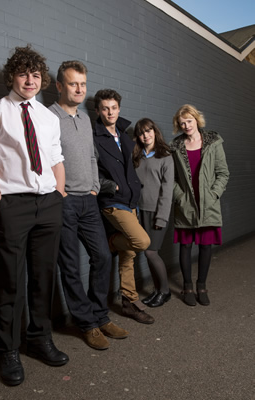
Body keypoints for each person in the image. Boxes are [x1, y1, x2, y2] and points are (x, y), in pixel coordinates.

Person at [0, 45, 69, 386]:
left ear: (42, 80)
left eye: (36, 74)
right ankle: (9, 350)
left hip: (48, 205)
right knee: (11, 282)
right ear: (12, 76)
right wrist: (1, 204)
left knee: (43, 277)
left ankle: (40, 339)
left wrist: (58, 193)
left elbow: (56, 158)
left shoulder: (48, 117)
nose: (30, 79)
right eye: (24, 73)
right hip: (13, 206)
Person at [49, 61, 128, 351]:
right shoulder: (48, 118)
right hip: (65, 202)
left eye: (83, 84)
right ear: (59, 86)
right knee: (69, 265)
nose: (80, 89)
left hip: (89, 201)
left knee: (103, 257)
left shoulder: (84, 119)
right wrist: (61, 194)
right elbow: (44, 160)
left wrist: (95, 187)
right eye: (73, 84)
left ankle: (99, 315)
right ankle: (86, 323)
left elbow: (92, 157)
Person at [93, 89, 154, 325]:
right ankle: (110, 243)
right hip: (112, 201)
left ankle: (129, 301)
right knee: (142, 241)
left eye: (114, 107)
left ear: (119, 109)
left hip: (131, 201)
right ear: (98, 110)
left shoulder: (125, 134)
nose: (110, 112)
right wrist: (113, 187)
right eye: (105, 108)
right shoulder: (94, 137)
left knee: (128, 253)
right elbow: (91, 172)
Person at [170, 104, 229, 306]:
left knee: (205, 246)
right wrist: (180, 197)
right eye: (182, 122)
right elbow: (172, 178)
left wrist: (213, 194)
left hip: (208, 203)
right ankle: (187, 286)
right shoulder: (176, 146)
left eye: (189, 120)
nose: (186, 125)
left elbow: (223, 173)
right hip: (186, 204)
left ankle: (201, 285)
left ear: (197, 119)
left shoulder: (213, 142)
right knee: (185, 246)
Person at [133, 118, 174, 307]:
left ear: (155, 132)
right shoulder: (138, 156)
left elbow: (167, 190)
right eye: (142, 133)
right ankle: (158, 290)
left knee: (151, 253)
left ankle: (165, 291)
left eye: (149, 131)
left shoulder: (165, 156)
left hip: (157, 212)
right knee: (147, 252)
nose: (146, 135)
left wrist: (162, 217)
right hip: (140, 211)